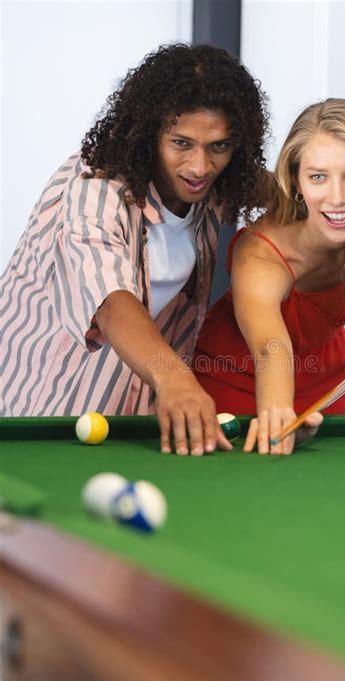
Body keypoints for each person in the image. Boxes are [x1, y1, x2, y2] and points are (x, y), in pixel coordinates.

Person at [0, 43, 270, 456]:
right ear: (148, 134)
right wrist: (175, 378)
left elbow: (302, 191)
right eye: (181, 142)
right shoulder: (95, 188)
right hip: (38, 410)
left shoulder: (214, 183)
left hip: (128, 414)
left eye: (219, 146)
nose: (200, 166)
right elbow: (111, 302)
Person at [194, 98, 345, 455]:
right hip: (235, 385)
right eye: (317, 177)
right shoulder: (262, 254)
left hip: (327, 381)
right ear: (296, 182)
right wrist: (279, 416)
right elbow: (271, 348)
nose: (338, 197)